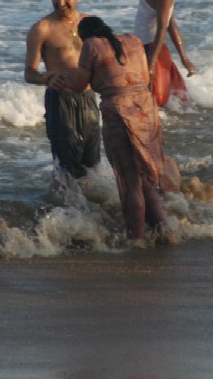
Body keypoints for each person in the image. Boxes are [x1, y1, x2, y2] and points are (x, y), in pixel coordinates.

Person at [56, 16, 179, 245]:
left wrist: (60, 82)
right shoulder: (132, 40)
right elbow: (143, 76)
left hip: (119, 114)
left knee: (129, 180)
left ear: (85, 36)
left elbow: (80, 85)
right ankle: (166, 234)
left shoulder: (91, 45)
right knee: (146, 179)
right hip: (146, 111)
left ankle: (136, 241)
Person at [24, 0, 101, 178]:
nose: (60, 3)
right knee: (67, 168)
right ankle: (65, 210)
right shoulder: (42, 28)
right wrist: (44, 77)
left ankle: (91, 211)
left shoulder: (91, 24)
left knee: (92, 166)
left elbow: (106, 62)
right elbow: (29, 73)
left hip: (88, 99)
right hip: (60, 101)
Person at [134, 0, 196, 107]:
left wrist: (152, 63)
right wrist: (183, 57)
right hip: (146, 49)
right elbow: (171, 22)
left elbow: (163, 25)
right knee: (163, 106)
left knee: (154, 104)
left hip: (154, 51)